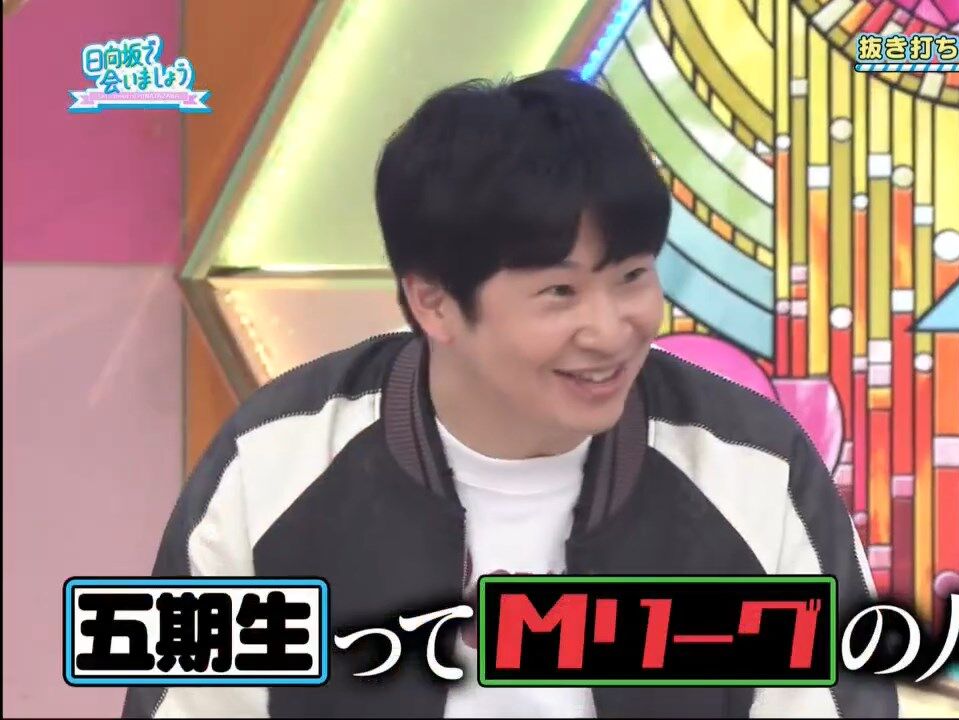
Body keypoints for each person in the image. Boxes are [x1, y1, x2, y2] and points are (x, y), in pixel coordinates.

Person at [124, 69, 898, 719]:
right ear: (433, 303)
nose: (610, 330)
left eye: (632, 276)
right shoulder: (273, 465)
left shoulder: (751, 468)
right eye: (560, 292)